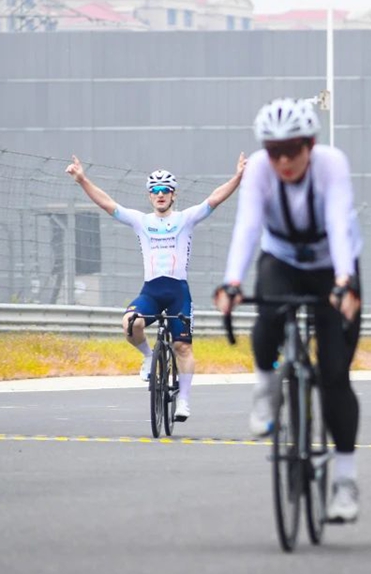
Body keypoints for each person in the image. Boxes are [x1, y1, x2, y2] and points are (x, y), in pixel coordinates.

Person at [214, 98, 362, 524]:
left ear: (310, 145)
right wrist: (232, 281)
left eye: (292, 150)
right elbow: (247, 225)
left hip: (333, 264)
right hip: (281, 259)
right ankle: (266, 391)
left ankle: (345, 482)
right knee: (268, 317)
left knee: (335, 375)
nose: (283, 160)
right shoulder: (260, 168)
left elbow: (337, 222)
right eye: (274, 150)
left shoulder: (331, 164)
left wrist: (344, 282)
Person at [66, 152, 246, 423]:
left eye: (165, 190)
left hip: (177, 293)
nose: (160, 194)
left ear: (173, 195)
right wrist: (82, 180)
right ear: (150, 196)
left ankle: (183, 399)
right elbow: (107, 204)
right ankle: (150, 358)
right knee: (130, 323)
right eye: (155, 191)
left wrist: (238, 177)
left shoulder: (185, 218)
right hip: (151, 291)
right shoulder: (141, 221)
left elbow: (215, 198)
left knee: (182, 347)